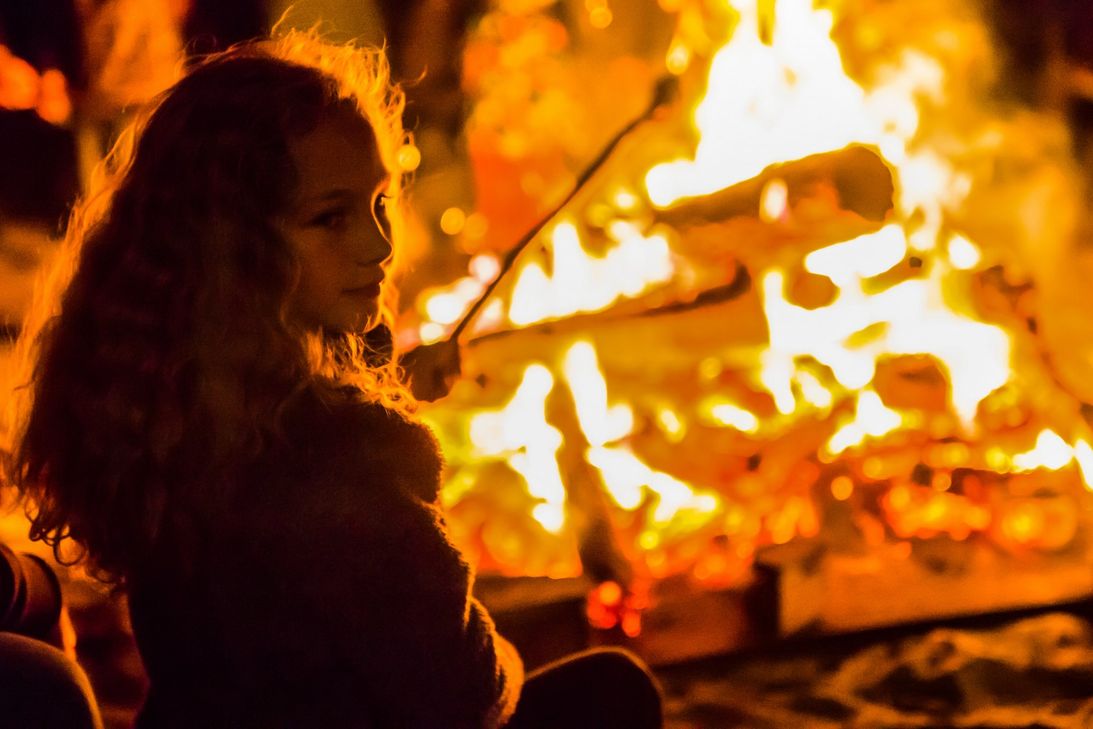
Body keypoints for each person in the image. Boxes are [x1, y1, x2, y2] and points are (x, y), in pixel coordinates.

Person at [2, 30, 662, 728]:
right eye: (332, 217)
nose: (378, 245)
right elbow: (468, 695)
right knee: (613, 690)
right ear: (240, 244)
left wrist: (382, 376)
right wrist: (508, 652)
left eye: (380, 204)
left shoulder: (156, 411)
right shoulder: (350, 458)